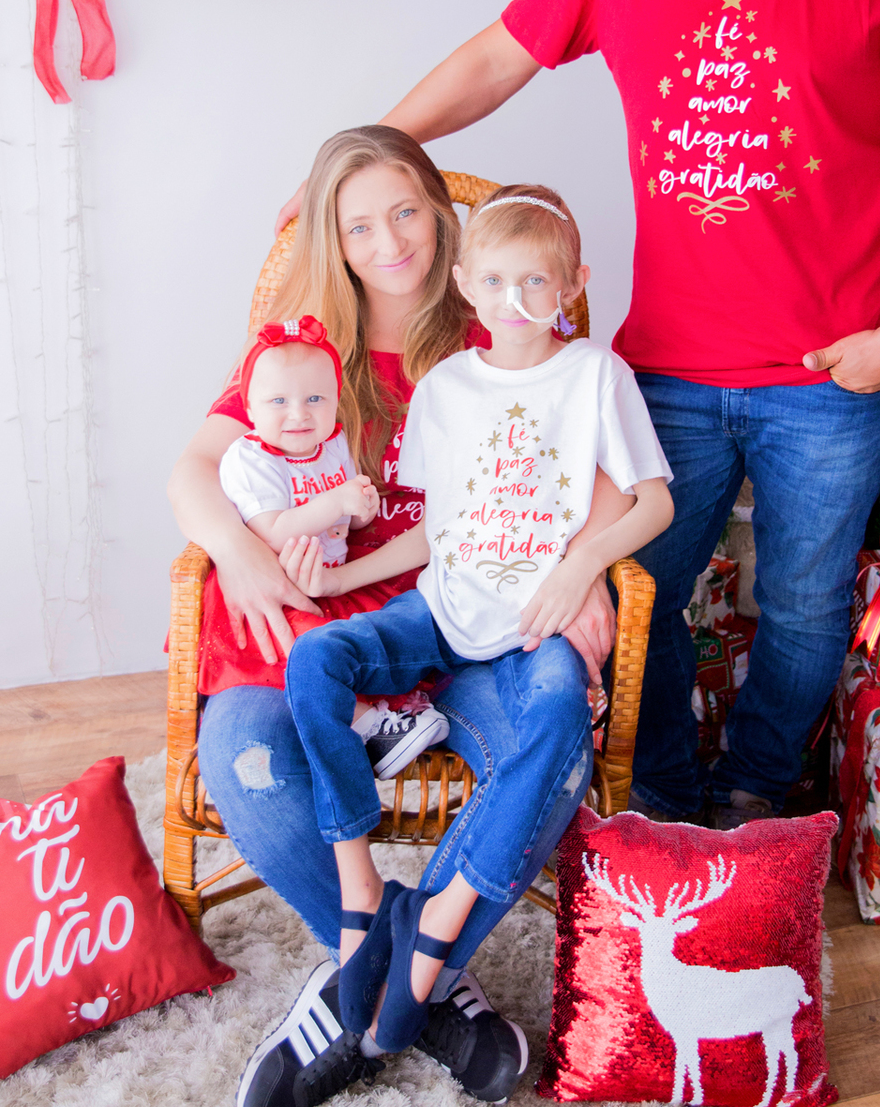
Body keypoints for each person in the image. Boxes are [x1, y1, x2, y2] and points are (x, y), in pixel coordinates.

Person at [275, 0, 880, 830]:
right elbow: (496, 59)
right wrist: (361, 162)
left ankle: (757, 789)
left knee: (804, 606)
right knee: (637, 592)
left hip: (836, 366)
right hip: (666, 370)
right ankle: (663, 796)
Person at [169, 127, 629, 1107]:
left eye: (409, 211)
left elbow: (591, 452)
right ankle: (417, 990)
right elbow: (192, 470)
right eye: (360, 223)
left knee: (555, 724)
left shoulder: (498, 325)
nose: (390, 241)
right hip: (307, 616)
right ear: (331, 237)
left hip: (456, 611)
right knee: (245, 757)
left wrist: (587, 557)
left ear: (443, 213)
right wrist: (241, 552)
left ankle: (365, 989)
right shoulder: (298, 343)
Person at [277, 183, 672, 1057]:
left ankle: (437, 920)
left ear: (573, 284)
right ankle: (359, 892)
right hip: (443, 613)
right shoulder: (447, 387)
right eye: (494, 282)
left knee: (562, 713)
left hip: (532, 632)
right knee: (316, 662)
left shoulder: (595, 376)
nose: (515, 304)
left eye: (538, 284)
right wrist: (341, 575)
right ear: (464, 283)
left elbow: (653, 504)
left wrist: (582, 566)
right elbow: (435, 527)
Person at [217, 314, 448, 777]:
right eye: (278, 401)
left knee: (355, 638)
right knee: (305, 642)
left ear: (335, 402)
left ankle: (391, 705)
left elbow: (348, 517)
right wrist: (334, 502)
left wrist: (358, 509)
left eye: (315, 399)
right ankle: (372, 726)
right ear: (250, 406)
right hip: (280, 585)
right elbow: (274, 531)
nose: (299, 413)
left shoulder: (332, 443)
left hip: (329, 580)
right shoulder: (250, 459)